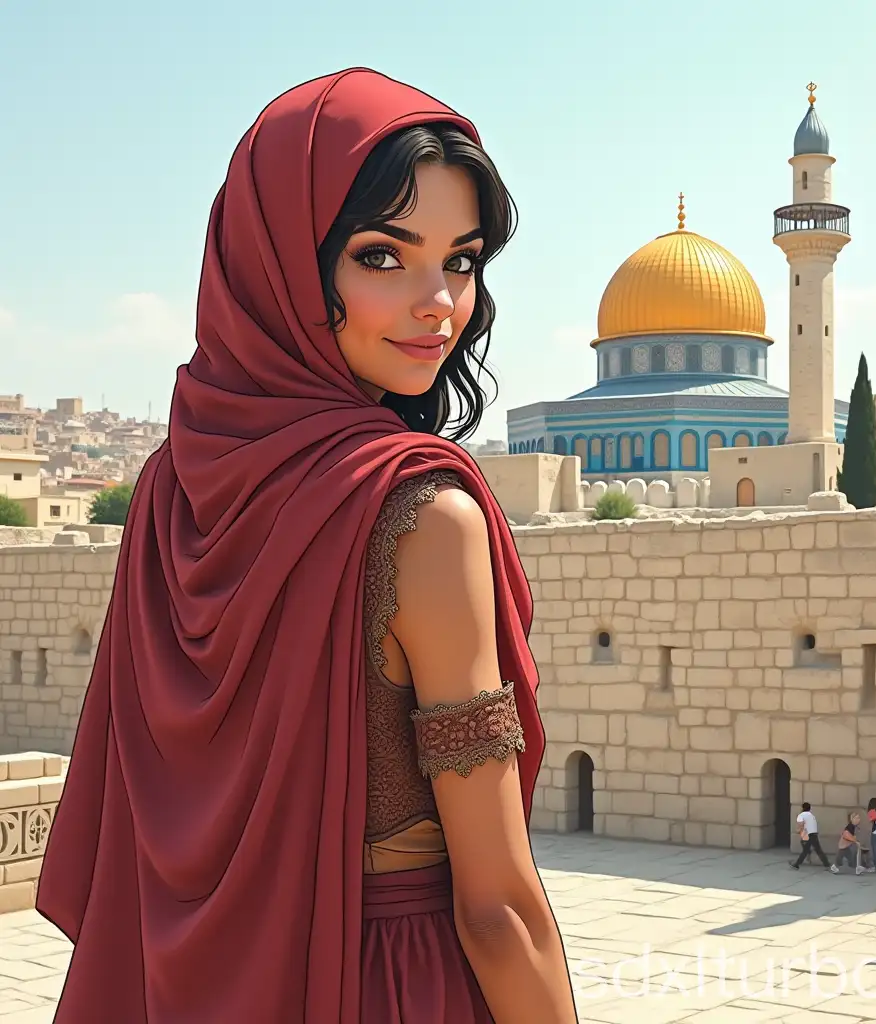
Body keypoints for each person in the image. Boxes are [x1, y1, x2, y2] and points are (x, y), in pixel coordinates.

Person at [36, 69, 578, 1023]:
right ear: (279, 263)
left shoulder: (172, 487)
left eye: (462, 259)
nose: (440, 304)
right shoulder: (421, 517)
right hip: (395, 986)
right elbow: (498, 910)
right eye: (381, 255)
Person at [791, 802, 831, 869]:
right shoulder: (812, 815)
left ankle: (797, 864)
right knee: (817, 850)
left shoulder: (801, 815)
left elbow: (801, 825)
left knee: (805, 850)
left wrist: (798, 831)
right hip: (814, 834)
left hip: (807, 835)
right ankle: (827, 864)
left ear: (802, 808)